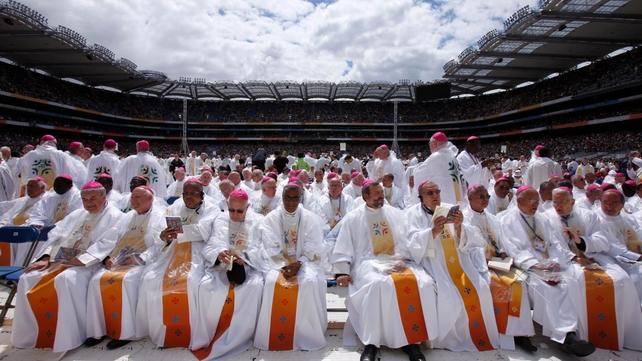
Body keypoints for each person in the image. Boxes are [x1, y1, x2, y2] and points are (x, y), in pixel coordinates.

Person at [11, 181, 123, 352]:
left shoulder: (115, 216)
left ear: (103, 196)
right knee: (28, 277)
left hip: (89, 264)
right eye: (85, 199)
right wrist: (46, 256)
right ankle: (32, 334)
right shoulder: (77, 214)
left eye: (93, 198)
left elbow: (106, 245)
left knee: (66, 279)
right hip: (60, 260)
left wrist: (78, 260)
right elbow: (56, 235)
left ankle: (76, 333)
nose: (89, 203)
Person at [333, 181, 437, 361]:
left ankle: (411, 341)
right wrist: (342, 271)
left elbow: (406, 240)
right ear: (365, 197)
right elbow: (343, 246)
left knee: (423, 283)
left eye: (382, 193)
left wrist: (401, 257)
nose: (382, 196)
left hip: (397, 260)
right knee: (377, 285)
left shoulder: (395, 214)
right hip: (367, 262)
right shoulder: (353, 217)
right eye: (377, 194)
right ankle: (371, 343)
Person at [499, 186, 596, 357]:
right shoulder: (507, 219)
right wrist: (535, 265)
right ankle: (566, 337)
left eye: (537, 200)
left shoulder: (542, 218)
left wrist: (556, 261)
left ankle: (570, 333)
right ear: (519, 200)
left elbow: (555, 243)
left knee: (568, 283)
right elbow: (512, 247)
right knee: (547, 288)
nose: (535, 204)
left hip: (549, 264)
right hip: (526, 266)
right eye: (531, 200)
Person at [406, 180, 499, 352]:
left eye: (437, 191)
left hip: (460, 261)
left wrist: (460, 226)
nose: (435, 196)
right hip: (433, 263)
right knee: (448, 296)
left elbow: (474, 239)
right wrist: (432, 231)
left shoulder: (451, 209)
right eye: (430, 193)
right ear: (421, 197)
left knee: (481, 290)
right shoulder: (413, 214)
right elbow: (411, 243)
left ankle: (473, 335)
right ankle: (446, 339)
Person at [546, 187, 642, 351]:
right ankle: (576, 335)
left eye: (562, 201)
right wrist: (574, 257)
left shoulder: (588, 216)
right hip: (567, 261)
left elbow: (602, 240)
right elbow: (553, 245)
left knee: (621, 280)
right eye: (555, 201)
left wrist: (581, 241)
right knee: (574, 282)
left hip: (594, 257)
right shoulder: (546, 217)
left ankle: (622, 331)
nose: (557, 205)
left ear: (573, 202)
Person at [138, 179, 217, 348]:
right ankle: (163, 330)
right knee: (151, 279)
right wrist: (164, 236)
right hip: (172, 250)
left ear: (202, 195)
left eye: (193, 193)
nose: (189, 197)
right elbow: (161, 231)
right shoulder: (174, 207)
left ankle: (191, 330)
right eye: (186, 193)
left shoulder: (211, 207)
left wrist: (178, 233)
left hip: (197, 251)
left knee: (190, 281)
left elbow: (204, 231)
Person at [85, 186, 166, 349]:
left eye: (138, 197)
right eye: (132, 197)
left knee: (127, 281)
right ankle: (99, 330)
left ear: (150, 199)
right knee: (96, 280)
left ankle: (126, 332)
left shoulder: (160, 215)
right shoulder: (128, 216)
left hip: (143, 262)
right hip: (119, 261)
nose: (133, 200)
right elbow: (110, 239)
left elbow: (160, 244)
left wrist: (139, 258)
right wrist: (106, 258)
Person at [192, 189, 265, 360]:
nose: (235, 214)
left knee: (254, 288)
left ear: (248, 207)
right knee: (205, 286)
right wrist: (219, 253)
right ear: (227, 205)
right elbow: (210, 246)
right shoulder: (220, 220)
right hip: (221, 268)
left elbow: (262, 248)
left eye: (240, 211)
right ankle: (212, 333)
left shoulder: (258, 221)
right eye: (232, 210)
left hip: (248, 268)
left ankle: (241, 335)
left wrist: (245, 258)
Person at [254, 183, 328, 351]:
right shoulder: (271, 218)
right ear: (282, 198)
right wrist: (284, 265)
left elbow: (314, 245)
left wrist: (299, 263)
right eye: (288, 198)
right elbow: (269, 246)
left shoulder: (309, 218)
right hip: (277, 263)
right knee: (272, 282)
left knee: (309, 282)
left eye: (295, 198)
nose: (291, 202)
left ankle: (306, 333)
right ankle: (276, 331)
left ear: (300, 199)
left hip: (305, 263)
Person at [464, 184, 536, 351]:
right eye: (481, 196)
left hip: (497, 263)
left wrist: (503, 252)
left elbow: (502, 240)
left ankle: (521, 333)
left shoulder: (492, 218)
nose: (485, 200)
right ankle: (501, 331)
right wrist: (485, 260)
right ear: (470, 199)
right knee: (497, 284)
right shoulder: (465, 219)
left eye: (487, 197)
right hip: (477, 265)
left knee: (519, 282)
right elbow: (466, 246)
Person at [596, 189, 642, 300]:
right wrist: (637, 257)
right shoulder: (597, 220)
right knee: (636, 276)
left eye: (614, 203)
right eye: (606, 202)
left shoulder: (629, 219)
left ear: (622, 204)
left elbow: (639, 235)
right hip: (609, 258)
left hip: (632, 258)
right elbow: (610, 246)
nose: (609, 206)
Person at [15, 135, 87, 192]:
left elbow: (21, 171)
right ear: (54, 143)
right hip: (54, 191)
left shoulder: (30, 154)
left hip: (34, 190)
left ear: (41, 143)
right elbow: (70, 173)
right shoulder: (61, 155)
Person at [413, 132, 467, 205]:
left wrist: (415, 169)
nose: (429, 147)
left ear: (434, 143)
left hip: (445, 199)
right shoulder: (452, 157)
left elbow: (419, 174)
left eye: (430, 144)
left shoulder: (436, 156)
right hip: (455, 196)